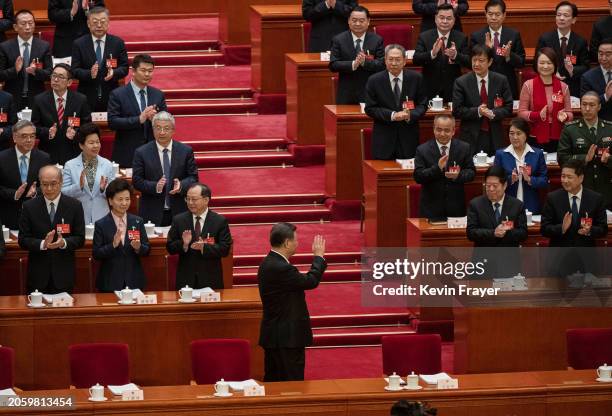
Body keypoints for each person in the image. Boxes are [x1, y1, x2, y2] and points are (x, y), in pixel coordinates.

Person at [258, 222, 326, 382]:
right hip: (286, 339)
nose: (298, 243)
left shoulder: (268, 262)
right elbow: (310, 281)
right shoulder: (281, 268)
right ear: (287, 243)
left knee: (275, 384)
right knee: (291, 385)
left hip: (276, 336)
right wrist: (318, 257)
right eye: (296, 240)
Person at [18, 165, 85, 294]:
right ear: (40, 184)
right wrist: (43, 244)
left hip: (64, 276)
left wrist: (63, 243)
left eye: (53, 184)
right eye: (44, 184)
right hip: (37, 277)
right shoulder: (29, 207)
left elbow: (80, 238)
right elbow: (23, 239)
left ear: (61, 183)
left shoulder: (74, 206)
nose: (49, 189)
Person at [132, 111, 198, 226]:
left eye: (166, 128)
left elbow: (193, 178)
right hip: (151, 212)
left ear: (173, 130)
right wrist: (155, 186)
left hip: (179, 211)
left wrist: (181, 185)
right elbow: (137, 181)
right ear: (153, 130)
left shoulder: (185, 151)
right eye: (158, 128)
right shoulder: (141, 152)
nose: (162, 132)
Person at [364, 44, 427, 159]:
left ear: (404, 61)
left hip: (408, 138)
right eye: (390, 59)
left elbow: (423, 105)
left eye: (397, 60)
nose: (394, 63)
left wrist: (410, 115)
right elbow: (370, 108)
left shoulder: (416, 78)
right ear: (385, 61)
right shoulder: (374, 80)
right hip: (383, 139)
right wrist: (392, 115)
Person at [166, 183, 232, 290]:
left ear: (206, 200)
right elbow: (170, 247)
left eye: (194, 199)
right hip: (186, 281)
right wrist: (184, 244)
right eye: (187, 199)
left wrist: (204, 247)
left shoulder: (219, 221)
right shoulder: (179, 220)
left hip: (211, 280)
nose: (190, 203)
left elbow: (225, 249)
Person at [108, 54, 167, 168]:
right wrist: (139, 119)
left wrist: (155, 119)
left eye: (150, 71)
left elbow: (166, 119)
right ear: (133, 71)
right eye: (143, 70)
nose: (147, 74)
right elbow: (112, 122)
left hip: (153, 153)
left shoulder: (158, 94)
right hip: (127, 154)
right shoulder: (118, 94)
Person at [452, 44, 513, 156]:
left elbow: (508, 107)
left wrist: (493, 113)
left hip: (494, 134)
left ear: (490, 62)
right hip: (470, 136)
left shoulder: (501, 80)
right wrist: (478, 111)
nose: (476, 64)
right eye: (474, 60)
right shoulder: (461, 82)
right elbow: (457, 110)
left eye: (481, 60)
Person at [93, 178, 150, 292]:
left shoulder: (137, 221)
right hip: (110, 282)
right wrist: (112, 245)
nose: (124, 203)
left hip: (134, 281)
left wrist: (139, 247)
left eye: (127, 199)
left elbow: (147, 250)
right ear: (110, 201)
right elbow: (96, 254)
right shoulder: (101, 224)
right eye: (120, 199)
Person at [414, 114, 475, 220]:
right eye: (439, 129)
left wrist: (458, 176)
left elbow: (471, 173)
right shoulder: (422, 150)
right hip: (431, 209)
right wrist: (437, 168)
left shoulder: (464, 148)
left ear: (453, 131)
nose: (442, 134)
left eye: (447, 130)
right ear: (433, 129)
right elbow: (418, 177)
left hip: (456, 209)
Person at [558, 92, 612, 209]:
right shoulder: (570, 129)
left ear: (599, 107)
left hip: (606, 189)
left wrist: (608, 160)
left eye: (592, 105)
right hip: (580, 188)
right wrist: (584, 159)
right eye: (584, 104)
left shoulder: (609, 129)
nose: (587, 108)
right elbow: (562, 158)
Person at [32, 63, 92, 165]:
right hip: (48, 154)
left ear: (69, 82)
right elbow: (34, 127)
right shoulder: (39, 100)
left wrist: (76, 134)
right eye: (54, 76)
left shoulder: (80, 100)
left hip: (73, 154)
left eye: (60, 77)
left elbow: (87, 127)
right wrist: (48, 132)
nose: (55, 80)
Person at [71, 6, 129, 111]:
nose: (99, 25)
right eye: (95, 22)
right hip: (86, 96)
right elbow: (74, 70)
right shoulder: (79, 44)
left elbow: (124, 68)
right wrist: (89, 73)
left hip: (112, 95)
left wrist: (114, 73)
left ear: (108, 23)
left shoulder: (117, 43)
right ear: (88, 24)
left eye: (102, 22)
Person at [541, 159, 608, 246]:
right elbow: (544, 229)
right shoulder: (553, 198)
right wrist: (561, 228)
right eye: (563, 176)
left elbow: (603, 229)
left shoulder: (596, 199)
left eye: (569, 177)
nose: (565, 180)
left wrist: (589, 230)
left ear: (581, 178)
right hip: (560, 254)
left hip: (586, 254)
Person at [518, 47, 573, 153]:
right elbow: (521, 113)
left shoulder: (563, 87)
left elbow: (570, 113)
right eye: (542, 63)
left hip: (559, 137)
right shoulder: (528, 85)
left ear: (555, 65)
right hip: (535, 136)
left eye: (549, 63)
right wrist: (537, 115)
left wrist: (565, 116)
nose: (545, 66)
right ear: (536, 64)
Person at [0, 120, 51, 230]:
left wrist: (35, 192)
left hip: (35, 218)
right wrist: (15, 194)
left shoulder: (44, 158)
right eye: (24, 136)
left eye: (32, 136)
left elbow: (49, 185)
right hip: (7, 217)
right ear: (14, 138)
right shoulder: (2, 158)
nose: (29, 140)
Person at [413, 4, 470, 102]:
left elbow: (469, 62)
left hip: (453, 89)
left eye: (449, 18)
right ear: (435, 19)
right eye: (442, 18)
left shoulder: (461, 37)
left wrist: (456, 55)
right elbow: (416, 60)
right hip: (430, 88)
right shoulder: (424, 37)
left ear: (454, 21)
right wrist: (432, 53)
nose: (445, 21)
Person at [469, 0, 525, 99]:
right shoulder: (476, 36)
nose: (493, 18)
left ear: (504, 15)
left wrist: (508, 55)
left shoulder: (513, 35)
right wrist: (486, 50)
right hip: (484, 84)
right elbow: (471, 63)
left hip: (507, 85)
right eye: (490, 14)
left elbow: (521, 62)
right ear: (485, 14)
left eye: (497, 14)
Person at [329, 6, 384, 104]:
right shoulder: (338, 40)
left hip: (370, 90)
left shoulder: (377, 40)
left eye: (361, 20)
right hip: (346, 92)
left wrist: (365, 63)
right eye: (354, 20)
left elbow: (382, 64)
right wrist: (352, 64)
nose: (357, 24)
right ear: (348, 21)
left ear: (368, 21)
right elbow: (333, 64)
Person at [62, 122, 115, 224]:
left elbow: (114, 194)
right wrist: (79, 187)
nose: (95, 146)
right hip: (78, 217)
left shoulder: (107, 164)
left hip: (102, 217)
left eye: (97, 142)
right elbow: (63, 192)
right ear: (81, 145)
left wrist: (104, 189)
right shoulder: (70, 165)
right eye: (91, 143)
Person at [0, 9, 52, 110]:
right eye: (23, 23)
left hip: (37, 98)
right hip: (13, 98)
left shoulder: (44, 46)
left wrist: (36, 71)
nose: (27, 27)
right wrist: (14, 70)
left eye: (30, 23)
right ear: (15, 27)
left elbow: (50, 73)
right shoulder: (4, 47)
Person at [494, 118, 549, 214]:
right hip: (507, 205)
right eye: (511, 133)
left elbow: (544, 181)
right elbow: (496, 180)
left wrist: (530, 179)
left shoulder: (537, 154)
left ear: (526, 135)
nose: (515, 137)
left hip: (531, 204)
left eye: (518, 133)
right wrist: (511, 179)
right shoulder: (501, 154)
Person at [535, 1, 589, 98]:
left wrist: (572, 70)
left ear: (574, 19)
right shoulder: (545, 39)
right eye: (558, 15)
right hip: (548, 85)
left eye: (565, 15)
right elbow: (536, 64)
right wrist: (552, 72)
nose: (561, 18)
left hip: (572, 88)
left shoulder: (580, 41)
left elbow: (585, 67)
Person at [467, 165, 528, 247]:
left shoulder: (517, 205)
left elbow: (523, 234)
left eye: (495, 186)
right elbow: (470, 233)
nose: (491, 189)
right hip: (484, 256)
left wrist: (505, 232)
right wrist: (493, 233)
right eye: (488, 186)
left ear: (505, 185)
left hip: (508, 256)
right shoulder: (475, 204)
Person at [580, 38, 612, 121]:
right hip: (599, 122)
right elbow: (585, 103)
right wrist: (606, 96)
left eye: (608, 55)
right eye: (601, 54)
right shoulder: (587, 77)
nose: (604, 58)